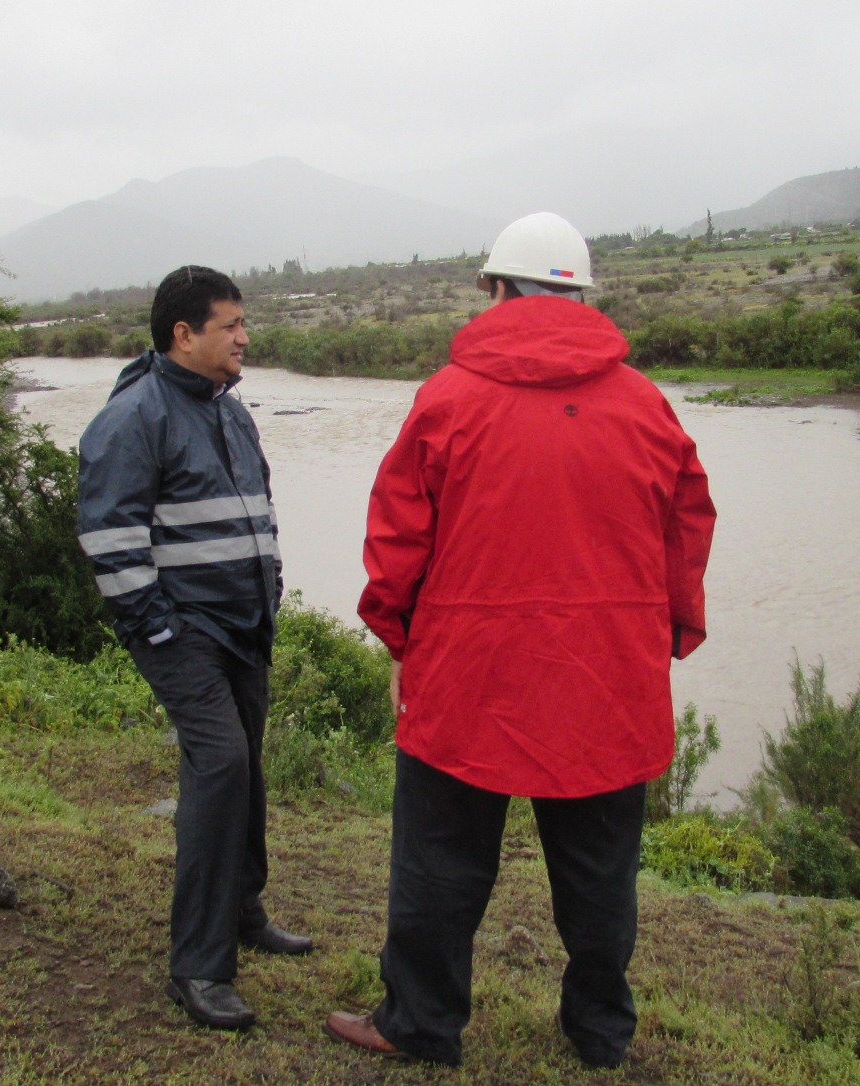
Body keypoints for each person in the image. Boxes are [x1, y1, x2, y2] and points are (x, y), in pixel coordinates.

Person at [325, 213, 716, 1068]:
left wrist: (398, 640)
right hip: (607, 679)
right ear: (581, 295)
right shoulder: (645, 405)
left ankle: (420, 1023)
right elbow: (686, 530)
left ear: (497, 289)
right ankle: (599, 1032)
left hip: (466, 676)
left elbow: (396, 540)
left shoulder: (446, 398)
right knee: (600, 872)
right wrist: (663, 636)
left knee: (439, 862)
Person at [77, 265, 312, 1032]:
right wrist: (158, 627)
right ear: (184, 334)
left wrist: (270, 589)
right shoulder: (132, 417)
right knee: (220, 765)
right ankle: (199, 967)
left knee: (245, 763)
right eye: (230, 325)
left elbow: (258, 512)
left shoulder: (231, 412)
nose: (244, 337)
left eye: (244, 323)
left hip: (245, 625)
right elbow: (108, 537)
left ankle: (243, 910)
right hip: (183, 632)